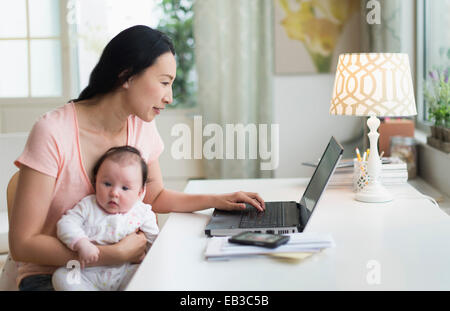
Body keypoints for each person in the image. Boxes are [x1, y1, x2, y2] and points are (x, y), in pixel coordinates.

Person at [9, 25, 265, 291]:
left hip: (119, 271)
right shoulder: (53, 131)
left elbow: (154, 196)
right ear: (127, 76)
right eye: (165, 82)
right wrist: (113, 254)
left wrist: (217, 200)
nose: (170, 97)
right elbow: (23, 244)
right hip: (55, 276)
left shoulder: (142, 125)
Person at [52, 146, 159, 291]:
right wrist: (81, 243)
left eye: (125, 188)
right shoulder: (88, 205)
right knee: (62, 276)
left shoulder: (142, 212)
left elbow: (155, 241)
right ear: (96, 181)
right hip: (87, 273)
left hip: (124, 272)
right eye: (107, 184)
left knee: (149, 275)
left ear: (140, 192)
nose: (114, 192)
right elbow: (66, 224)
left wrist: (149, 257)